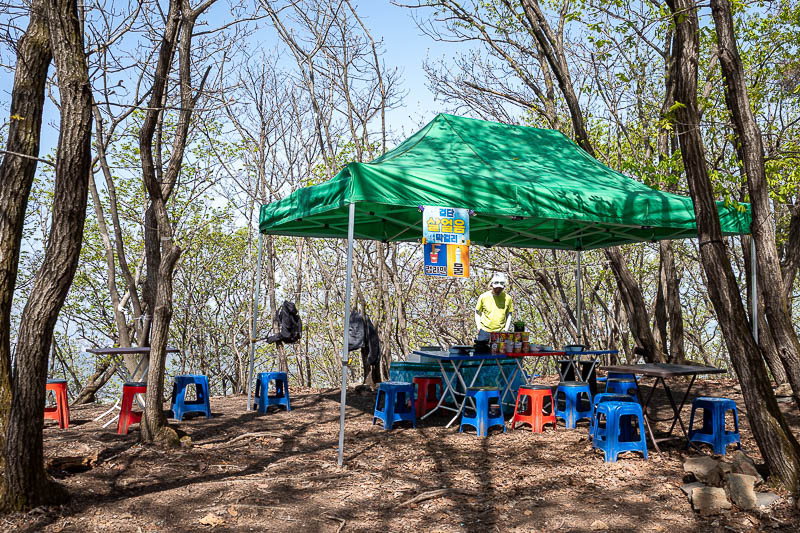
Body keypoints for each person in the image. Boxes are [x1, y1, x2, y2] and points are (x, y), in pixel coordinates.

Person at [474, 272, 513, 342]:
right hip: (484, 331)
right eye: (496, 288)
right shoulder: (483, 297)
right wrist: (478, 327)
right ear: (491, 286)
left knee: (500, 352)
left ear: (503, 287)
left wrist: (506, 329)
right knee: (482, 351)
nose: (498, 290)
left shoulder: (508, 298)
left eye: (500, 288)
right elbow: (477, 312)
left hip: (500, 331)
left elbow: (509, 314)